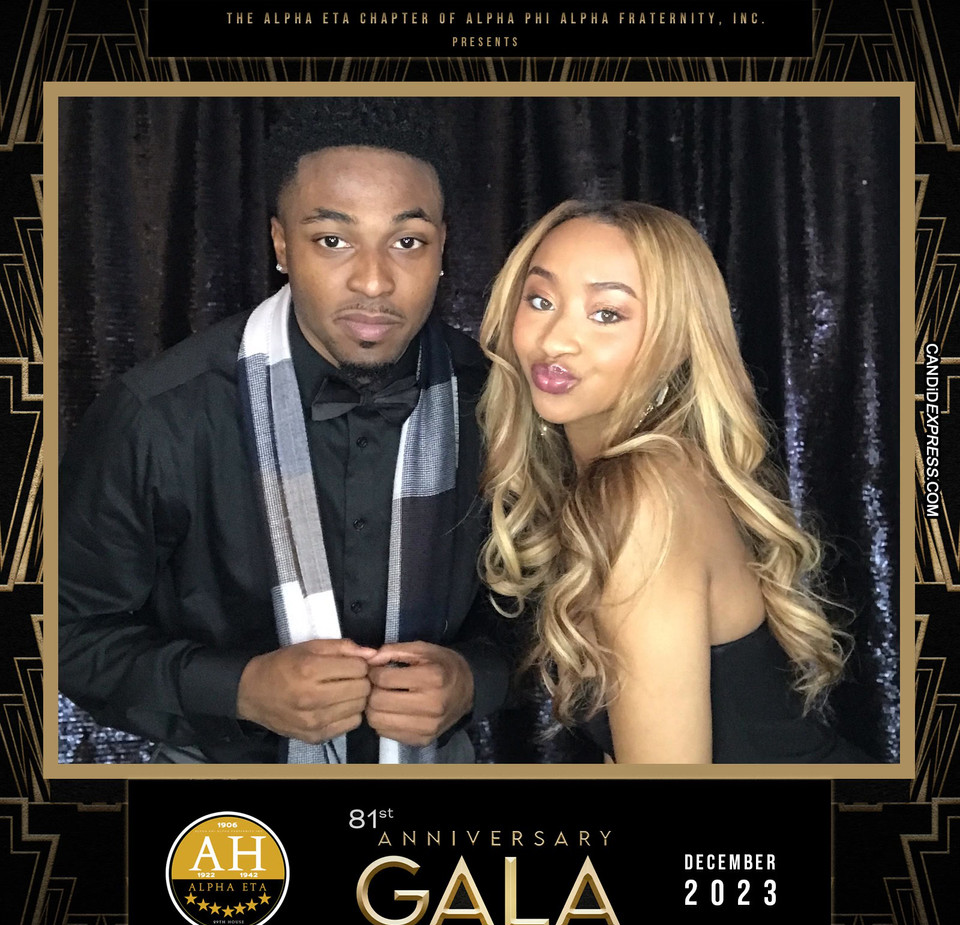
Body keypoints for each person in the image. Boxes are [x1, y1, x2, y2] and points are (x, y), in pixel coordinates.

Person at [58, 142, 509, 764]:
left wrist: (473, 679)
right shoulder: (159, 415)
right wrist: (238, 689)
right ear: (281, 245)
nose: (374, 281)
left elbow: (551, 617)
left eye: (407, 242)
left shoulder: (501, 404)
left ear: (442, 247)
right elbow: (64, 633)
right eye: (333, 240)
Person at [478, 199, 875, 764]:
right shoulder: (641, 475)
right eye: (540, 300)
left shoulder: (644, 498)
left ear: (676, 340)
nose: (555, 340)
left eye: (606, 314)